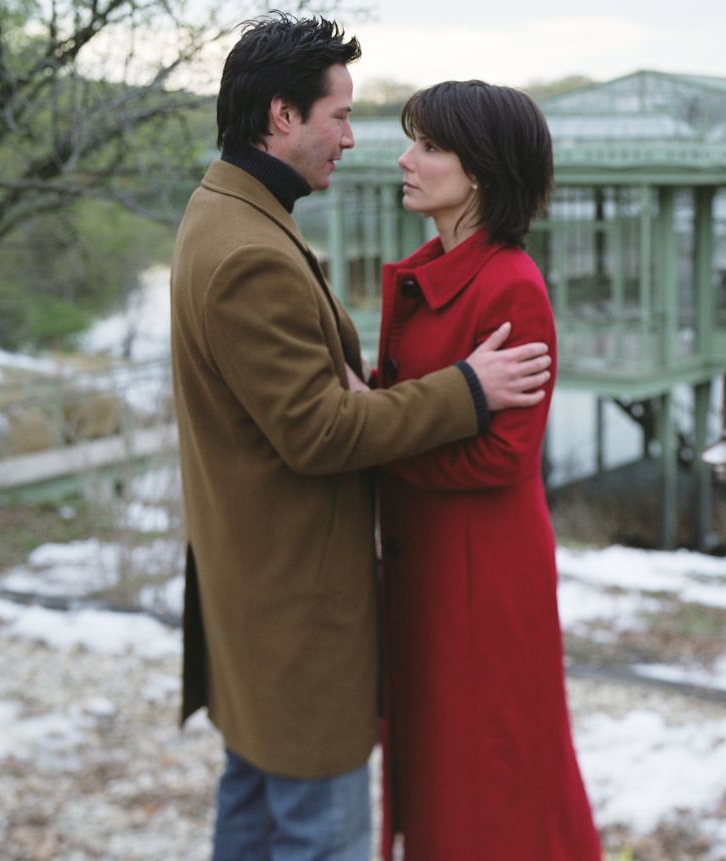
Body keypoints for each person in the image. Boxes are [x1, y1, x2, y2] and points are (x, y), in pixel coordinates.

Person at [169, 16, 551, 861]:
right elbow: (316, 430)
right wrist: (465, 391)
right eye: (339, 115)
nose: (354, 138)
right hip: (296, 609)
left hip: (257, 588)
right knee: (320, 834)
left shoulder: (224, 209)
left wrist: (370, 396)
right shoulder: (250, 251)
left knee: (256, 808)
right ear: (282, 116)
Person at [375, 81, 602, 860]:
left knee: (488, 767)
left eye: (429, 146)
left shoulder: (510, 285)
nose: (405, 159)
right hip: (437, 560)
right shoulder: (441, 268)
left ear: (478, 172)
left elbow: (505, 452)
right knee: (444, 760)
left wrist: (373, 435)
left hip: (482, 575)